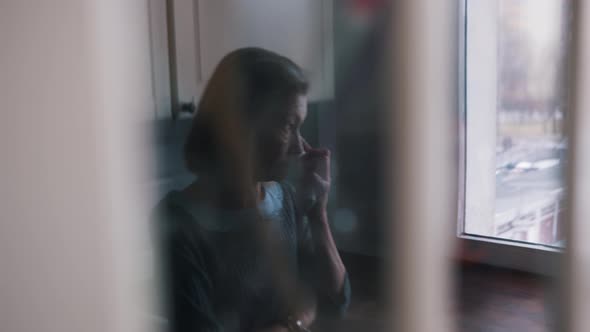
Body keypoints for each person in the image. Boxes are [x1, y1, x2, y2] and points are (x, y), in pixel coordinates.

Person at [153, 47, 350, 332]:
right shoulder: (178, 223)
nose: (300, 146)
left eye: (300, 127)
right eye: (287, 125)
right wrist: (291, 324)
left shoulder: (285, 202)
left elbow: (335, 300)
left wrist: (317, 212)